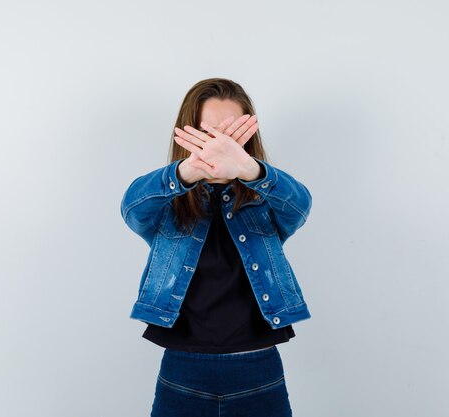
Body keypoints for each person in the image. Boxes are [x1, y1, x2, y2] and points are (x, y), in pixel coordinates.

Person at [120, 78, 312, 417]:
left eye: (231, 137)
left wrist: (249, 169)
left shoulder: (264, 202)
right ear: (189, 136)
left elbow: (300, 206)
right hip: (182, 371)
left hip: (258, 369)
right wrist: (188, 171)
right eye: (208, 137)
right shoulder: (171, 205)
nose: (219, 148)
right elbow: (132, 208)